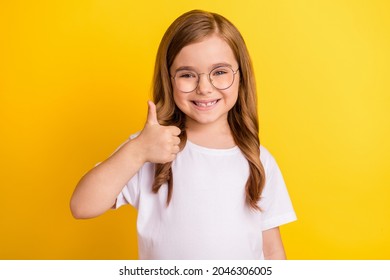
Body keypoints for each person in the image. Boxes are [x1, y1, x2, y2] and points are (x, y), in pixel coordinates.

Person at [70, 9, 297, 260]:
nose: (204, 88)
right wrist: (137, 151)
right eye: (187, 74)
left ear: (240, 76)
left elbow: (272, 250)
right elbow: (82, 206)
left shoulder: (258, 159)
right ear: (169, 80)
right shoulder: (150, 149)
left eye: (219, 72)